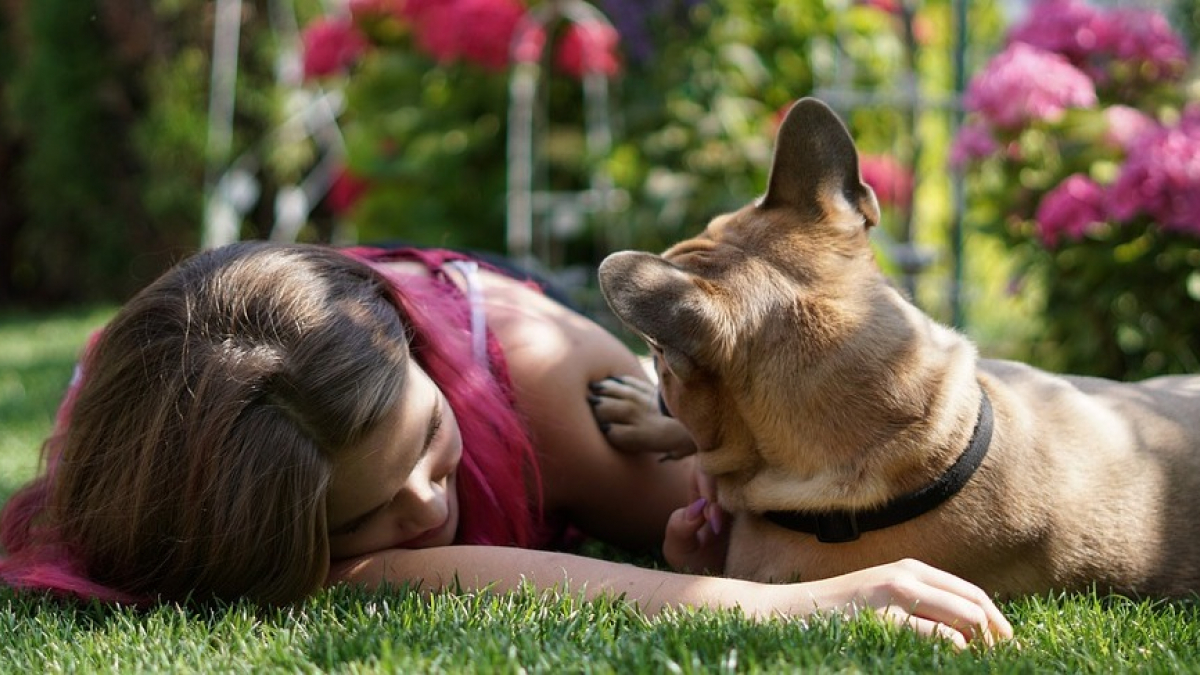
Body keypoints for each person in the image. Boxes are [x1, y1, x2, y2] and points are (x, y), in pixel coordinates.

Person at [0, 242, 1011, 648]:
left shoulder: (544, 384)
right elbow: (394, 575)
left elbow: (816, 505)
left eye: (430, 444)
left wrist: (760, 550)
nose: (428, 508)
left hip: (496, 316)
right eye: (361, 516)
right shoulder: (188, 472)